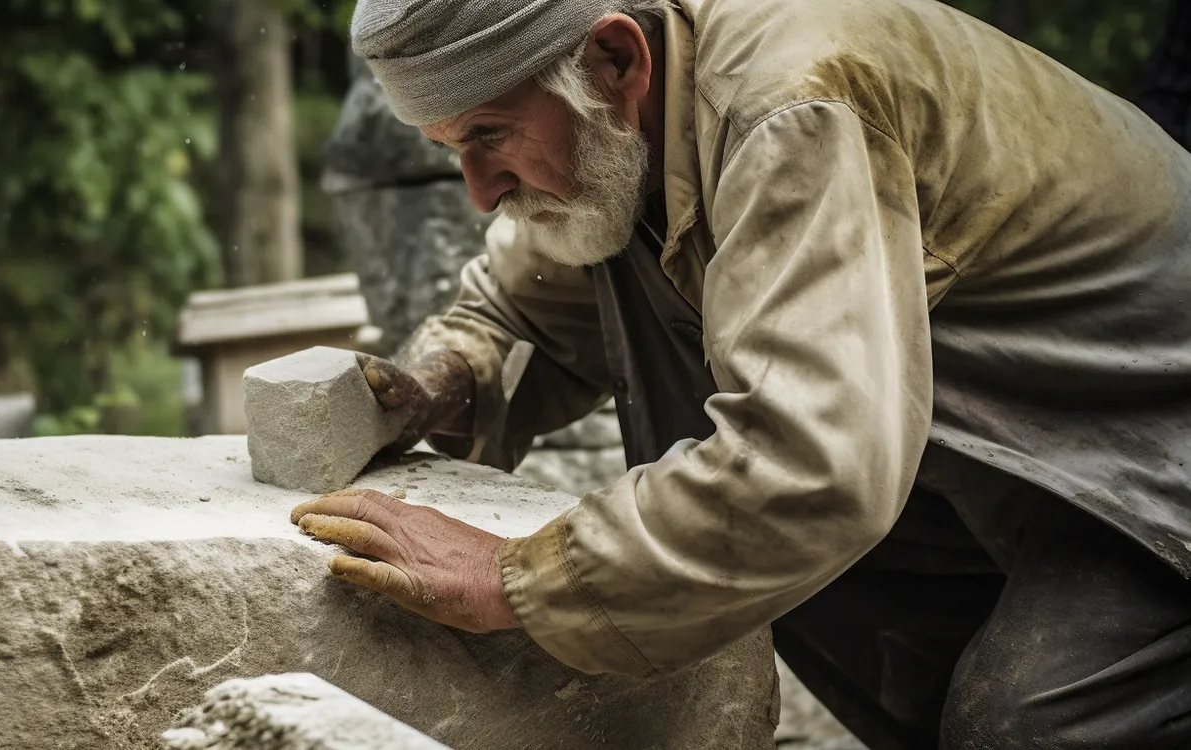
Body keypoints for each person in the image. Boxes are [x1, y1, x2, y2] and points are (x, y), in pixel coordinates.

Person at [288, 1, 1191, 747]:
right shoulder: (620, 125)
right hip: (1036, 455)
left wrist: (517, 579)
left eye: (490, 134)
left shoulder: (787, 106)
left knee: (1031, 725)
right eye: (451, 148)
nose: (481, 190)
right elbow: (527, 310)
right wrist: (442, 380)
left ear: (614, 58)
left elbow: (812, 464)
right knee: (752, 586)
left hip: (1152, 450)